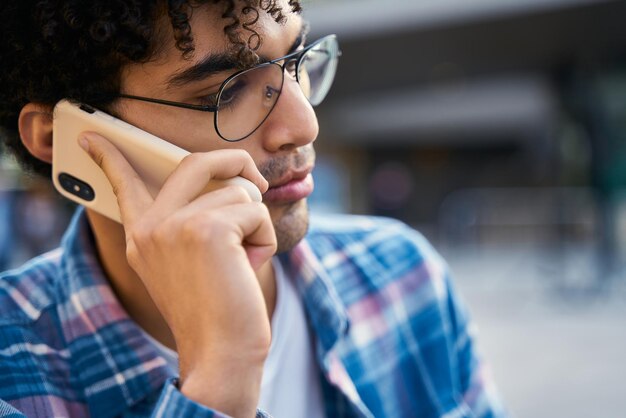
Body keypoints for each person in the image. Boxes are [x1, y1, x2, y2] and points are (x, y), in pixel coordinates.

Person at [0, 1, 506, 417]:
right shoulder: (12, 370)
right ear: (62, 140)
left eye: (296, 61)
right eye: (223, 92)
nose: (303, 124)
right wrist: (219, 378)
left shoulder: (402, 276)